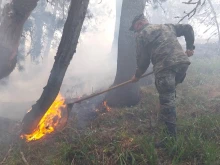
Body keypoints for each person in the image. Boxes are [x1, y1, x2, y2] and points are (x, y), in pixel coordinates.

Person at [130, 14, 195, 147]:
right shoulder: (166, 26)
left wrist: (137, 76)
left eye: (135, 28)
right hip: (182, 64)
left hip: (165, 68)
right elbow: (188, 28)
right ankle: (166, 119)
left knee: (167, 101)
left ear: (138, 25)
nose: (135, 31)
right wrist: (190, 47)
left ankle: (170, 141)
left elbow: (143, 61)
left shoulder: (141, 35)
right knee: (169, 95)